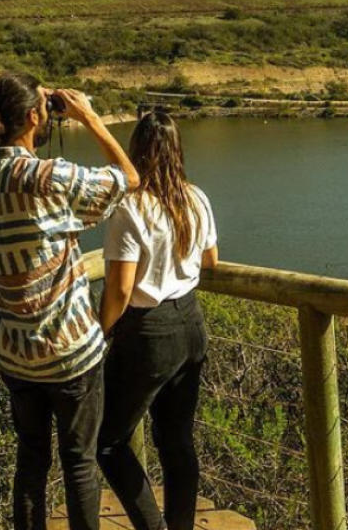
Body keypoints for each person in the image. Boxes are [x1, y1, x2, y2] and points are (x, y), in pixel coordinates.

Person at [0, 73, 140, 530]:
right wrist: (90, 118)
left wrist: (38, 110)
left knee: (31, 463)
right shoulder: (49, 176)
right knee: (79, 463)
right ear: (30, 116)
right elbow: (129, 179)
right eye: (43, 106)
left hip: (16, 352)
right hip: (69, 351)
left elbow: (36, 194)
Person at [97, 109, 218, 530]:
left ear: (137, 151)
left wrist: (102, 331)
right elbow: (211, 259)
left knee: (107, 440)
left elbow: (120, 290)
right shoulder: (196, 197)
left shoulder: (130, 209)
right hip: (191, 324)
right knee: (176, 439)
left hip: (150, 331)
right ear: (176, 150)